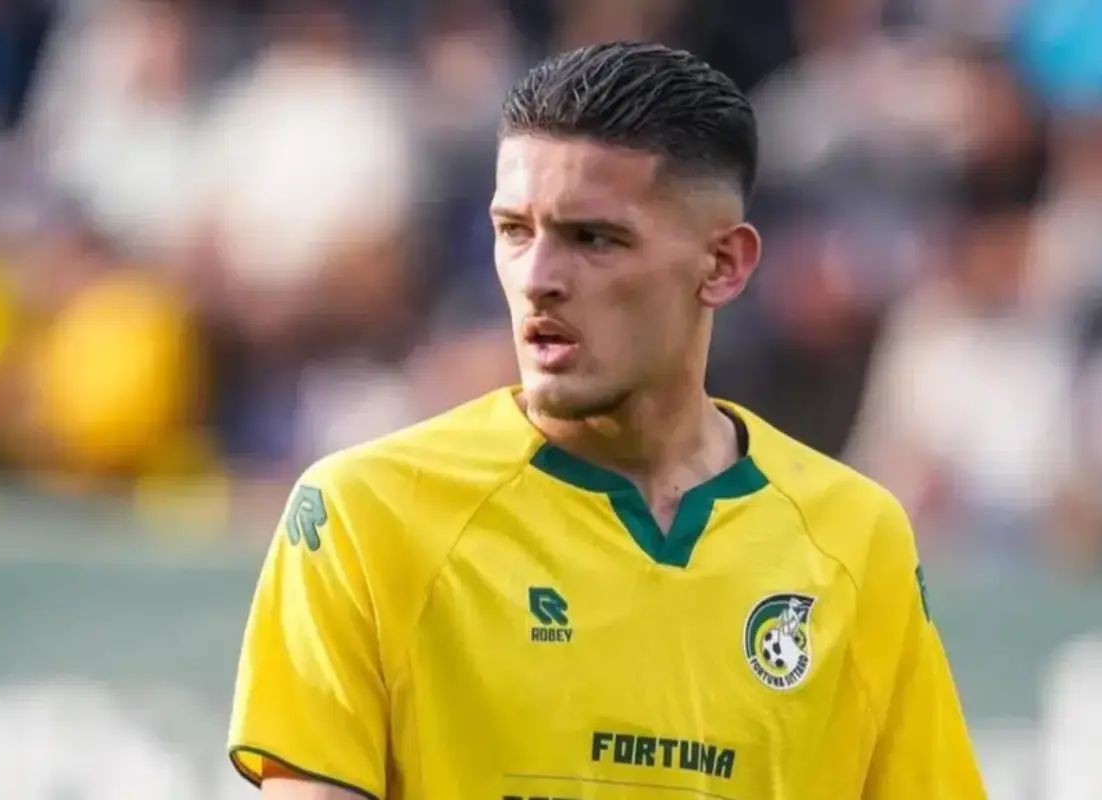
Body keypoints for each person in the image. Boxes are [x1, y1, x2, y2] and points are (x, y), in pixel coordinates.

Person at [227, 41, 987, 799]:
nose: (538, 279)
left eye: (593, 238)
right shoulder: (366, 517)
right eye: (514, 231)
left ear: (723, 265)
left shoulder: (855, 540)